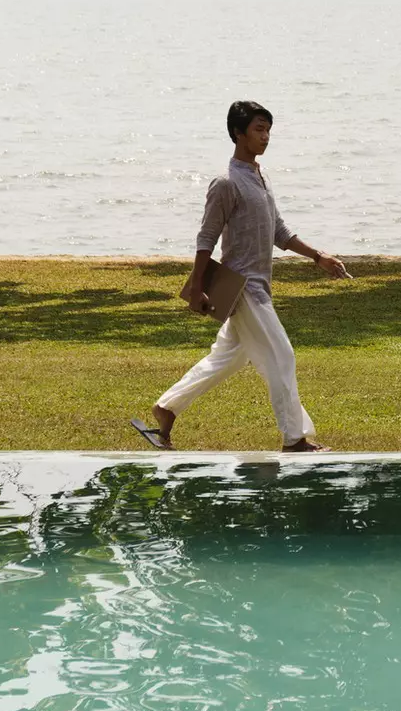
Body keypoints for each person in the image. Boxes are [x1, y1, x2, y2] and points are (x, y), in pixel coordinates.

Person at [131, 101, 350, 452]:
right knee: (282, 355)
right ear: (238, 133)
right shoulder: (226, 184)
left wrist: (318, 256)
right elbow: (206, 239)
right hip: (243, 288)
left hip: (258, 285)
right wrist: (197, 288)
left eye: (268, 131)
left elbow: (278, 231)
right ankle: (294, 439)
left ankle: (166, 408)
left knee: (227, 358)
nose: (265, 137)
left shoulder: (260, 179)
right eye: (258, 130)